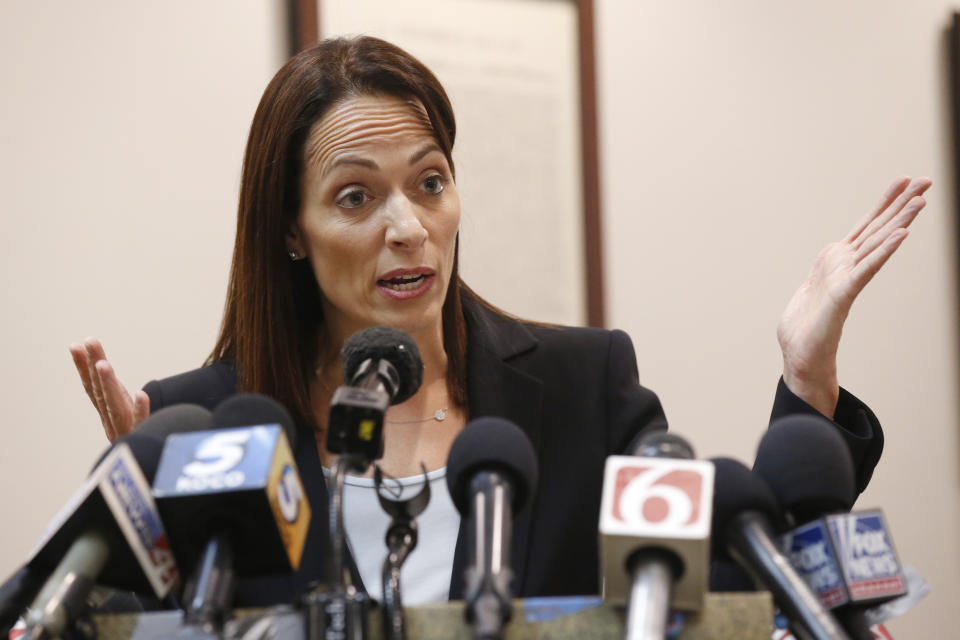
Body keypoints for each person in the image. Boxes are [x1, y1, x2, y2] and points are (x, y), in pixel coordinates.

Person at [69, 36, 929, 605]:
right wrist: (138, 535)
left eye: (430, 182)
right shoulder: (206, 425)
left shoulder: (582, 386)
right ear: (291, 230)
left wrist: (805, 376)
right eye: (356, 196)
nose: (406, 226)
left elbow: (732, 587)